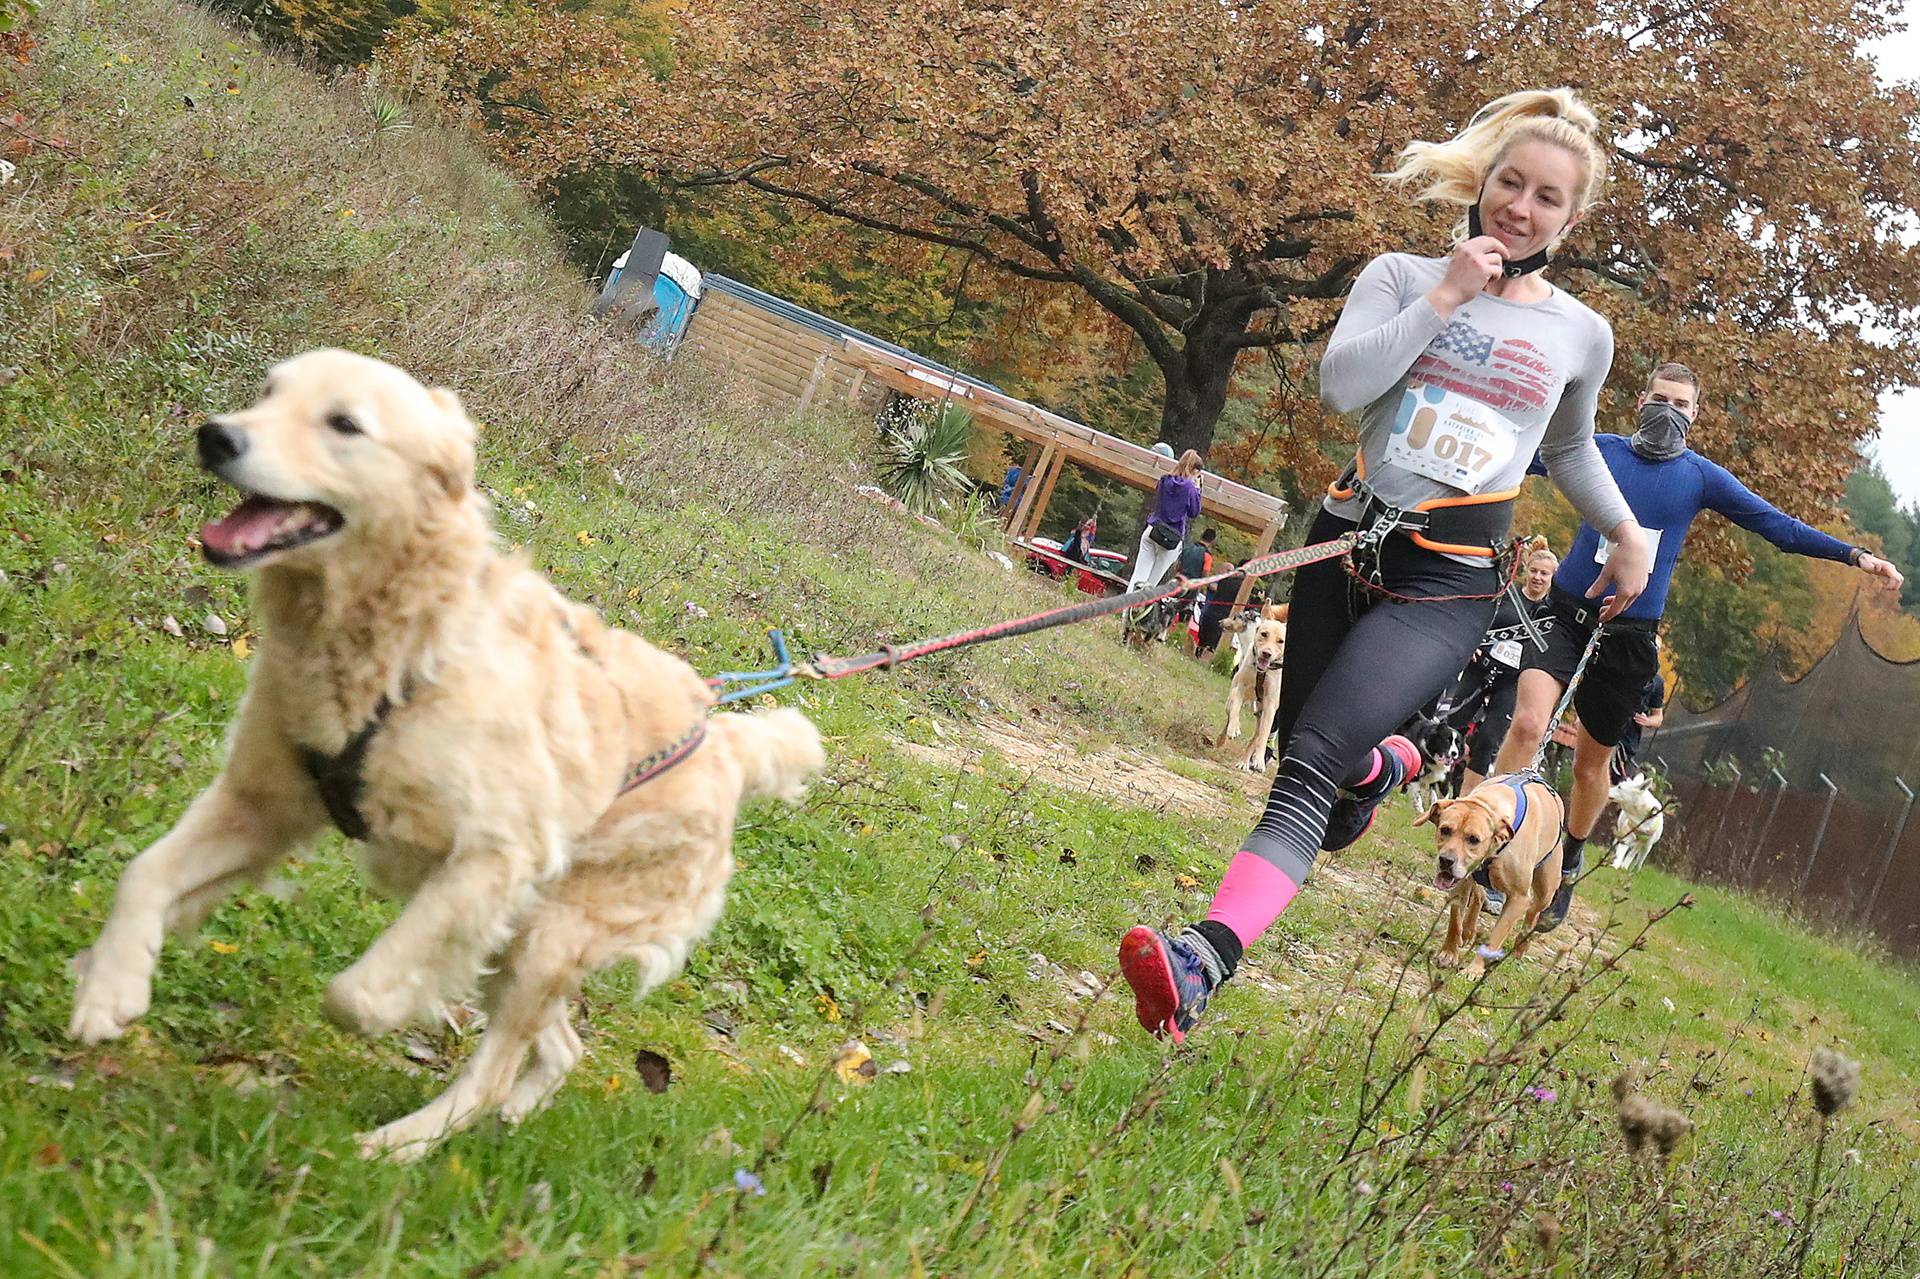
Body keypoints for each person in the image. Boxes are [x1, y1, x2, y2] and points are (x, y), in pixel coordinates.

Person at [1117, 87, 1653, 1043]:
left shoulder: (1581, 334)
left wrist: (1624, 531)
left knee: (1304, 765)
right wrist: (1447, 294)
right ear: (1483, 182)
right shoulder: (1403, 274)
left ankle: (1203, 959)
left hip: (1447, 581)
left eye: (1546, 199)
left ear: (1570, 221)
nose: (1519, 208)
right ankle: (1386, 767)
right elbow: (1341, 386)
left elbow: (1568, 450)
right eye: (1509, 184)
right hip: (1344, 546)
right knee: (1318, 772)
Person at [1488, 359, 1905, 932]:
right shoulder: (1597, 450)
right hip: (1567, 613)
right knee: (1530, 724)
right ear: (1640, 401)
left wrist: (1855, 556)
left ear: (1696, 415)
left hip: (1630, 634)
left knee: (1591, 768)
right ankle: (1487, 832)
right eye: (1661, 399)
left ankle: (1569, 856)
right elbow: (1512, 455)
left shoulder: (1700, 477)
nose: (1669, 412)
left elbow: (1777, 527)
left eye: (1681, 405)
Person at [1448, 545, 1558, 793]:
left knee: (1489, 738)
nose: (1538, 578)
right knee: (1455, 721)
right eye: (1534, 571)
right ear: (1526, 571)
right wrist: (1472, 643)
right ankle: (1436, 777)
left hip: (1514, 682)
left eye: (1544, 574)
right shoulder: (1507, 594)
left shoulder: (1551, 613)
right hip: (1482, 667)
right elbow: (1478, 617)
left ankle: (1468, 797)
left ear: (1552, 579)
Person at [1127, 449, 1204, 590]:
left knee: (1138, 575)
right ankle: (1137, 609)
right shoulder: (1190, 488)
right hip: (1172, 537)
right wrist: (1198, 490)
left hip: (1153, 529)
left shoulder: (1164, 479)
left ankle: (1124, 609)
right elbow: (1194, 512)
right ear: (1195, 470)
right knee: (1151, 583)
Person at [1610, 668, 1665, 784]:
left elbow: (1658, 717)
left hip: (1627, 744)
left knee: (1617, 784)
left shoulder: (1657, 682)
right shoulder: (1620, 666)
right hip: (1605, 731)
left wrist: (1647, 721)